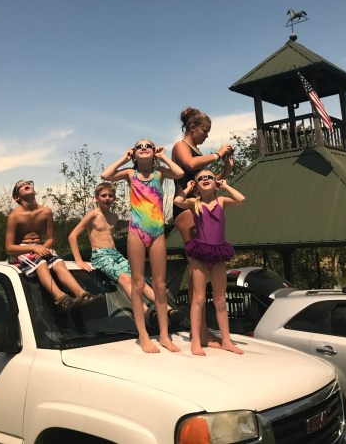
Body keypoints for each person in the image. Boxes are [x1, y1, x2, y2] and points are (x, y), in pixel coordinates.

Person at [101, 140, 184, 353]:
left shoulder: (160, 173)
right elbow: (106, 175)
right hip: (136, 232)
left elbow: (180, 173)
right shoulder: (130, 174)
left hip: (157, 232)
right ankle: (143, 335)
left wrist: (163, 157)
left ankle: (164, 335)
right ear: (135, 154)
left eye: (149, 145)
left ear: (154, 152)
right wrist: (124, 158)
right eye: (139, 146)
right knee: (137, 285)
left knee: (160, 286)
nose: (144, 147)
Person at [68, 181, 183, 325]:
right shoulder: (93, 215)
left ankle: (169, 310)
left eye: (110, 195)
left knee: (139, 281)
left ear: (114, 198)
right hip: (100, 255)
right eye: (103, 195)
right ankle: (147, 313)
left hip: (115, 254)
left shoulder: (114, 217)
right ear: (96, 198)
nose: (107, 198)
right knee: (125, 280)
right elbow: (72, 236)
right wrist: (79, 260)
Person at [171, 107, 234, 347]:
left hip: (202, 209)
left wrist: (227, 166)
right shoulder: (181, 147)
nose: (207, 135)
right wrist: (216, 155)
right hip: (186, 208)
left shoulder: (199, 152)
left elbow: (212, 182)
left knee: (204, 269)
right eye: (205, 131)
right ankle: (201, 332)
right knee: (196, 267)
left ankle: (202, 329)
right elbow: (189, 163)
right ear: (193, 128)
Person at [174, 169, 246, 355]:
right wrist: (188, 188)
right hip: (200, 254)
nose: (205, 179)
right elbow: (178, 201)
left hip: (218, 254)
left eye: (209, 177)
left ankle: (227, 341)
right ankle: (196, 341)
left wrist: (226, 185)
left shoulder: (221, 201)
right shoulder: (195, 203)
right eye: (200, 178)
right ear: (197, 186)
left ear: (216, 183)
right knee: (198, 298)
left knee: (220, 299)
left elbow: (241, 199)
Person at [5, 179, 95, 311]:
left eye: (28, 183)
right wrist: (34, 248)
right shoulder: (14, 216)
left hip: (41, 247)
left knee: (59, 263)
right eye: (20, 185)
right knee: (41, 264)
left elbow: (50, 239)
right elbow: (9, 248)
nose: (25, 185)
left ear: (34, 191)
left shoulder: (46, 212)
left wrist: (43, 248)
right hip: (21, 251)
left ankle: (82, 294)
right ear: (16, 197)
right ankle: (61, 298)